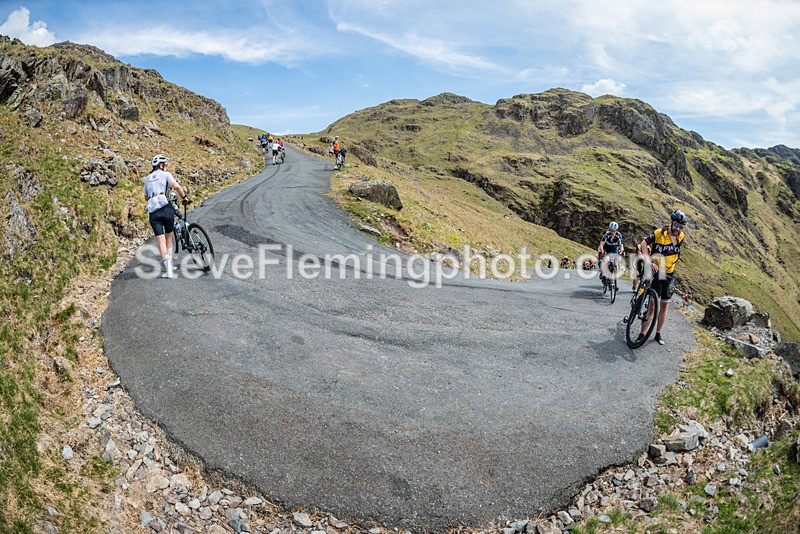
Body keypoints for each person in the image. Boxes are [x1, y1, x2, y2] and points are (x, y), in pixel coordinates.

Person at [637, 209, 688, 345]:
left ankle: (658, 334)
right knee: (653, 306)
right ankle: (642, 334)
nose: (678, 228)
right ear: (671, 223)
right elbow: (643, 243)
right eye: (676, 225)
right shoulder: (659, 233)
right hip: (657, 271)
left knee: (665, 306)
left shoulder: (681, 237)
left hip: (669, 273)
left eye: (681, 226)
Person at [143, 154, 187, 278]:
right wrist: (183, 197)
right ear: (161, 165)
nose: (166, 167)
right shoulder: (166, 175)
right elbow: (176, 187)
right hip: (167, 209)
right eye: (166, 165)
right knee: (169, 237)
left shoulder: (147, 179)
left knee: (160, 241)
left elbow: (146, 197)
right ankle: (171, 266)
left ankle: (168, 271)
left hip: (154, 212)